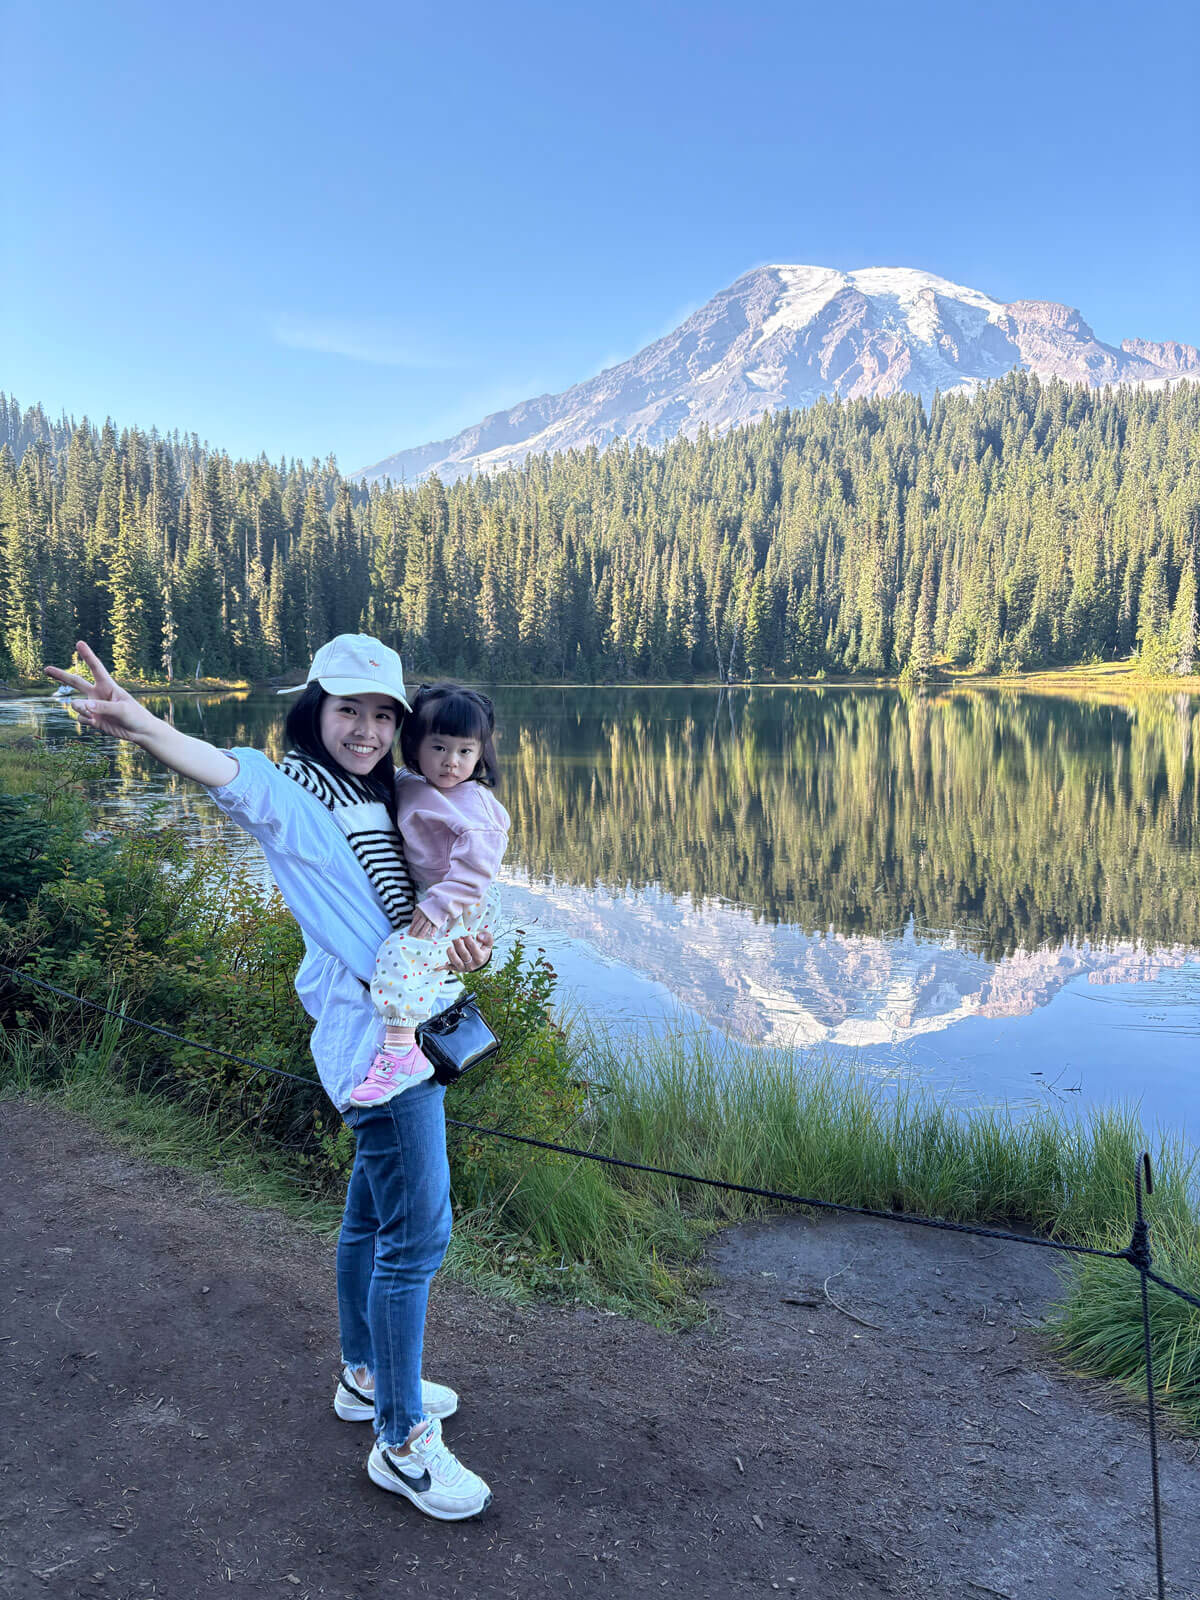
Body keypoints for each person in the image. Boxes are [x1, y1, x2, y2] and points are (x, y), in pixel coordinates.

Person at [45, 634, 494, 1521]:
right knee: (420, 1236)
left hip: (392, 1026)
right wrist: (139, 722)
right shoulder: (297, 795)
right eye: (346, 711)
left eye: (380, 715)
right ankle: (401, 1442)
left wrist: (460, 939)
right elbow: (229, 773)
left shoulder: (387, 799)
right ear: (313, 713)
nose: (364, 730)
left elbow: (409, 906)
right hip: (378, 1050)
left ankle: (365, 1379)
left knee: (371, 1218)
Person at [350, 682, 509, 1107]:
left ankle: (402, 1052)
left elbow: (479, 866)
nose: (451, 763)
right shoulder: (411, 782)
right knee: (422, 960)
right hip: (437, 896)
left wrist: (440, 906)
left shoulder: (471, 804)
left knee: (403, 953)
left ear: (479, 753)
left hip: (457, 900)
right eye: (439, 748)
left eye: (465, 751)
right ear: (415, 745)